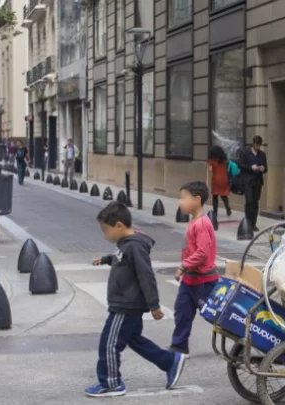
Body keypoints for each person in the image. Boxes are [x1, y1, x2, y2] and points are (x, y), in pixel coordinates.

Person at [87, 202, 187, 397]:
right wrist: (107, 259)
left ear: (119, 226)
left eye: (106, 231)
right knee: (135, 340)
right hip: (126, 303)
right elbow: (121, 259)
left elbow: (145, 275)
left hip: (125, 305)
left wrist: (154, 305)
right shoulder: (126, 245)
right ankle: (169, 361)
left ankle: (111, 382)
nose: (105, 235)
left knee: (109, 343)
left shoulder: (134, 247)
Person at [170, 181, 220, 355]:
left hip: (204, 282)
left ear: (197, 199)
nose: (180, 202)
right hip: (190, 280)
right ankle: (179, 346)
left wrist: (184, 266)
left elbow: (203, 252)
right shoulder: (194, 221)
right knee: (182, 312)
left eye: (183, 198)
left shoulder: (202, 224)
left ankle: (244, 338)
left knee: (216, 316)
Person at [238, 136, 268, 231]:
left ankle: (253, 223)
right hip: (247, 181)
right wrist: (251, 167)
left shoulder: (262, 154)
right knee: (249, 201)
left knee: (255, 202)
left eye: (259, 145)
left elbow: (266, 168)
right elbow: (240, 165)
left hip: (257, 181)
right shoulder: (245, 152)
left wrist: (262, 168)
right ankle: (248, 222)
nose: (257, 147)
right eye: (256, 145)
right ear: (253, 143)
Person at [207, 146, 232, 219]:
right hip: (224, 179)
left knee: (215, 196)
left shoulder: (212, 160)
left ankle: (215, 212)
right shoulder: (224, 160)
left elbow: (210, 170)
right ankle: (227, 207)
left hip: (216, 179)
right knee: (224, 195)